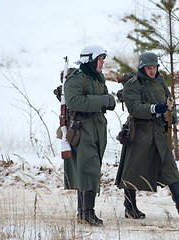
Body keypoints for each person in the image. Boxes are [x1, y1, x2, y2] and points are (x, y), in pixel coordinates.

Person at [115, 51, 179, 220]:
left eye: (154, 67)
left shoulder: (160, 81)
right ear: (142, 67)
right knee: (132, 171)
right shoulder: (133, 84)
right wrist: (154, 109)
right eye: (149, 67)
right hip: (140, 134)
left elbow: (170, 101)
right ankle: (130, 207)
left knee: (170, 168)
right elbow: (134, 108)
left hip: (159, 134)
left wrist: (171, 115)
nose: (152, 71)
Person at [63, 45, 116, 226]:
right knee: (88, 168)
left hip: (98, 127)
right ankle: (87, 213)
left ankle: (83, 212)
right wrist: (99, 101)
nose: (102, 63)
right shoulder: (76, 78)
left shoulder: (97, 78)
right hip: (82, 128)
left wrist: (109, 101)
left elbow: (101, 96)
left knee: (92, 168)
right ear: (90, 60)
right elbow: (73, 101)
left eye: (103, 59)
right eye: (100, 59)